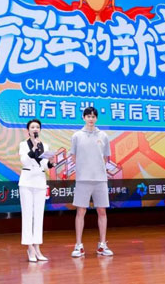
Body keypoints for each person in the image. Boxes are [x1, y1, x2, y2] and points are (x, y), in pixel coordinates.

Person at [70, 107, 113, 258]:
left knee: (102, 211)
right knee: (80, 211)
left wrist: (97, 169)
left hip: (100, 179)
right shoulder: (77, 136)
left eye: (93, 116)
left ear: (96, 118)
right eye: (88, 116)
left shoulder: (103, 135)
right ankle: (78, 246)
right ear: (83, 117)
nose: (91, 119)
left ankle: (102, 245)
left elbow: (106, 157)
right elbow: (73, 157)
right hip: (83, 179)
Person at [19, 118, 54, 262]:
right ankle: (30, 248)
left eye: (37, 127)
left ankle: (37, 247)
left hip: (40, 181)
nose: (35, 129)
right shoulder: (23, 144)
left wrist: (50, 163)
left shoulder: (44, 145)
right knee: (28, 215)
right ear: (28, 130)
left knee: (39, 215)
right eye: (32, 127)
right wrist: (32, 149)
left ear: (40, 130)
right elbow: (24, 161)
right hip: (27, 181)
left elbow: (44, 164)